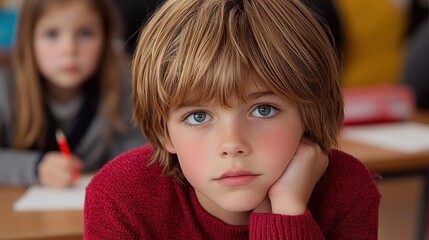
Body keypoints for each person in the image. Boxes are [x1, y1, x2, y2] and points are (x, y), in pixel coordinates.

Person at [84, 0, 380, 239]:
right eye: (198, 116)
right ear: (164, 133)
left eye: (264, 110)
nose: (232, 144)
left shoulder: (346, 190)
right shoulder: (121, 198)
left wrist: (288, 211)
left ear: (309, 111)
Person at [0, 0, 146, 188]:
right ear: (27, 39)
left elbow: (141, 160)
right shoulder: (4, 88)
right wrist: (35, 168)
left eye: (86, 33)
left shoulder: (125, 86)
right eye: (51, 34)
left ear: (106, 36)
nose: (69, 49)